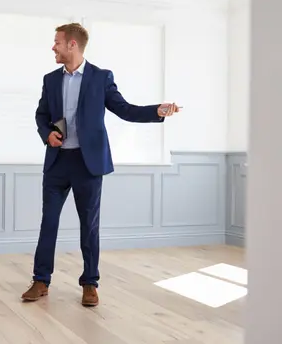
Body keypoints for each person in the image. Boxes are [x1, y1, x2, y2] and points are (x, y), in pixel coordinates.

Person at [22, 23, 180, 307]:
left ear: (72, 44)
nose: (53, 47)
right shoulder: (50, 80)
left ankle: (90, 283)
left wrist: (157, 111)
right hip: (57, 163)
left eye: (57, 42)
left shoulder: (100, 78)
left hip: (88, 164)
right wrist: (47, 133)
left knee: (89, 226)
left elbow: (125, 109)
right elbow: (41, 115)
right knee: (49, 223)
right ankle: (41, 280)